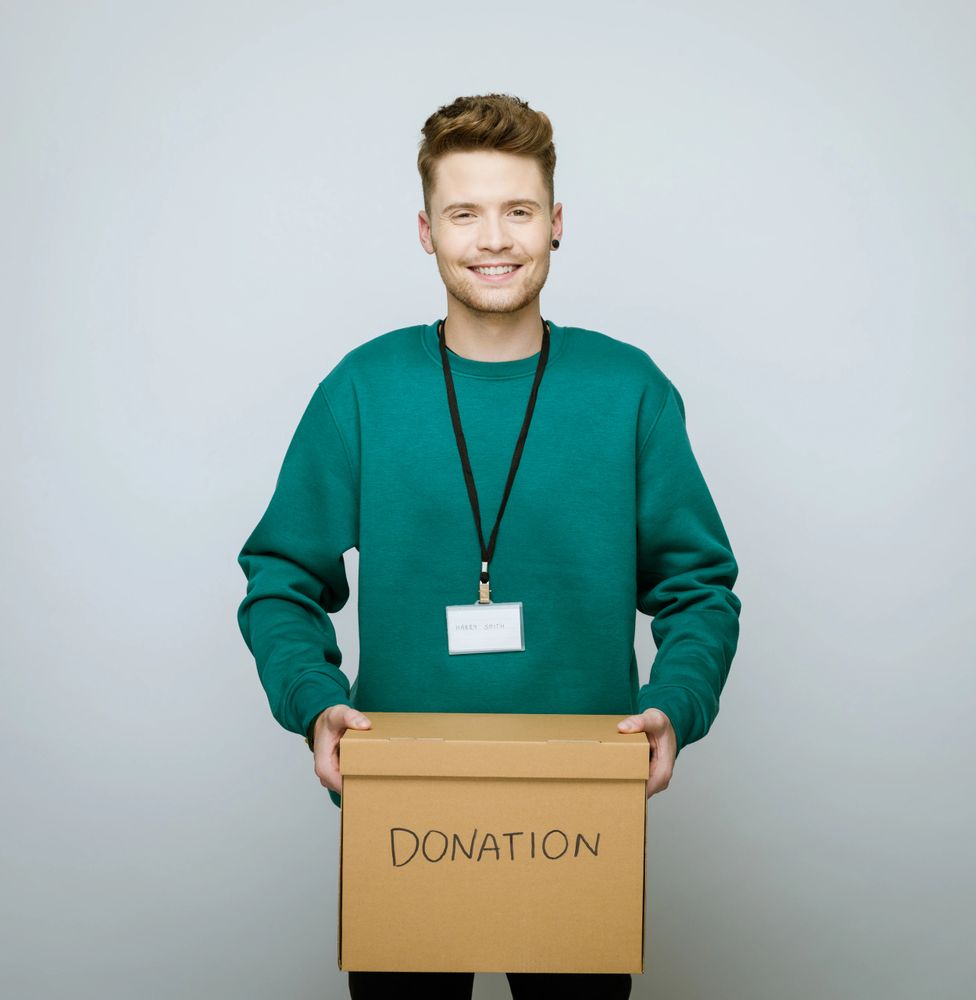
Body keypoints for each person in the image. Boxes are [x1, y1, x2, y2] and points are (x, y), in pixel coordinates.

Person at [236, 92, 741, 1000]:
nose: (495, 239)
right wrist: (315, 703)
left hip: (582, 800)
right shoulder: (362, 389)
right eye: (464, 213)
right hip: (404, 801)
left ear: (557, 223)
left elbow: (698, 585)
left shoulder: (629, 389)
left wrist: (676, 704)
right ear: (426, 231)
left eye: (519, 211)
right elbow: (280, 577)